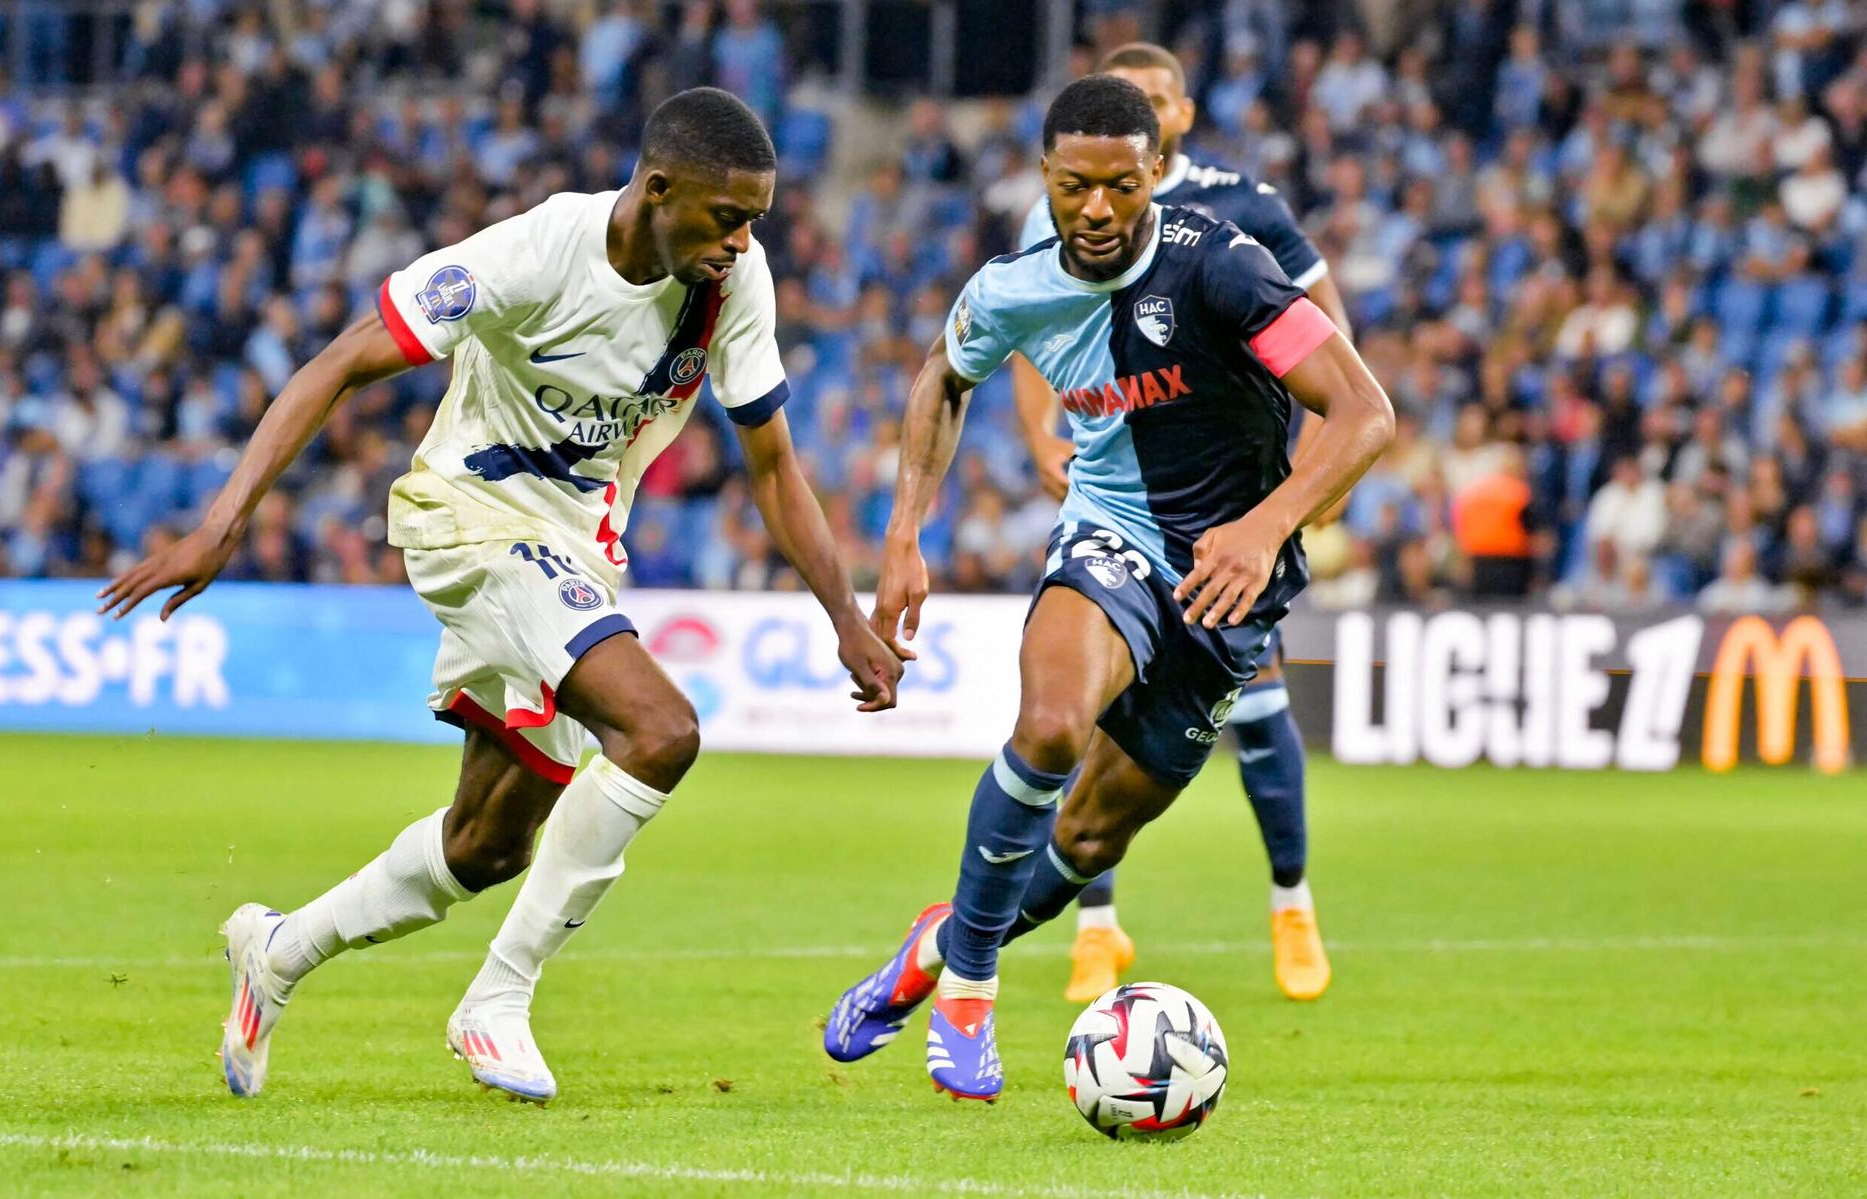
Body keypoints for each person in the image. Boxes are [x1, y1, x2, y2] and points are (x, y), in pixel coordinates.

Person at [97, 88, 903, 1105]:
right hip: (466, 516)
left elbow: (775, 466)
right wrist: (223, 522)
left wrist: (844, 613)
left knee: (486, 842)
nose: (743, 241)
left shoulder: (731, 284)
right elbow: (347, 357)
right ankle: (498, 998)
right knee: (659, 730)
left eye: (755, 221)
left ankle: (276, 950)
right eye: (725, 216)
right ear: (657, 189)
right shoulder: (535, 252)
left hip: (574, 551)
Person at [823, 76, 1394, 1102]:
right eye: (1075, 186)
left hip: (1233, 581)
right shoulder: (1012, 286)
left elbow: (1364, 411)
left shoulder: (1222, 266)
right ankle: (969, 989)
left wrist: (1265, 530)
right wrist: (904, 535)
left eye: (1122, 187)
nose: (1097, 210)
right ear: (1044, 175)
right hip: (1111, 534)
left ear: (1154, 176)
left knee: (1085, 838)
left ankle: (942, 937)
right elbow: (943, 378)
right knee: (1048, 728)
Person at [1010, 41, 1353, 1004]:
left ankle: (1292, 904)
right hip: (1124, 501)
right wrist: (1041, 432)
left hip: (1232, 513)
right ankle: (1096, 927)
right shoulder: (1081, 206)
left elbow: (1334, 336)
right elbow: (1033, 328)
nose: (1144, 117)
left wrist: (1318, 484)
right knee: (1079, 707)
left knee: (1259, 705)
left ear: (1181, 120)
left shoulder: (1246, 211)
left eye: (1158, 103)